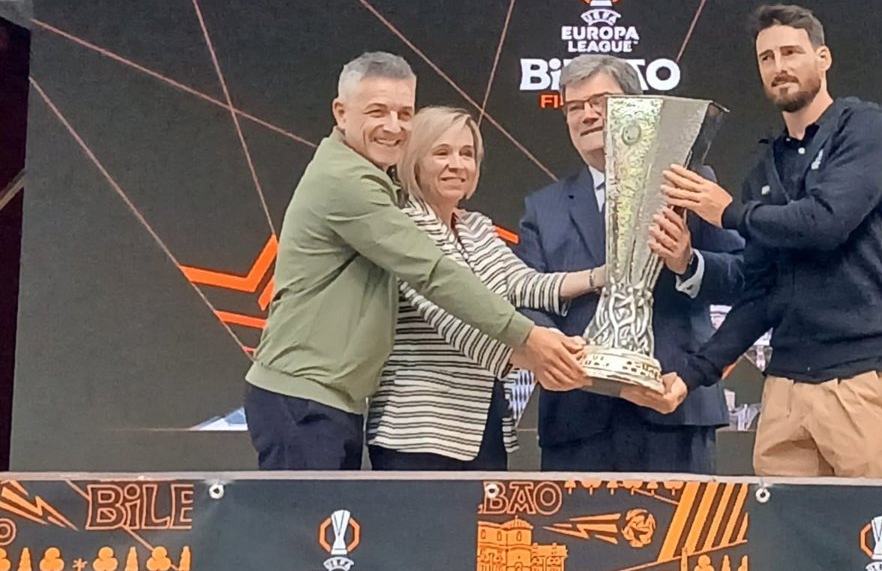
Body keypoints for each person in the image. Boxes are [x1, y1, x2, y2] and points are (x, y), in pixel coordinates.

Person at [244, 52, 585, 471]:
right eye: (377, 111)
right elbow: (433, 274)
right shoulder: (347, 182)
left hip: (329, 398)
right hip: (306, 397)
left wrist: (602, 278)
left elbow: (517, 281)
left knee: (329, 515)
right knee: (303, 517)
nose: (393, 126)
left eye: (404, 113)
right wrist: (529, 341)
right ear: (341, 112)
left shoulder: (378, 181)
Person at [664, 4, 882, 479]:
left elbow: (826, 222)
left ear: (823, 57)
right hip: (784, 385)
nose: (779, 66)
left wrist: (729, 213)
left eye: (791, 52)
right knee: (779, 523)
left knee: (866, 523)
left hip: (860, 376)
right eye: (767, 58)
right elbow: (759, 296)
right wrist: (691, 376)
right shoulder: (764, 171)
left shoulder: (866, 128)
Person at [517, 54, 745, 474]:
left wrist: (688, 262)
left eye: (600, 102)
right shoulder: (543, 209)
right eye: (574, 107)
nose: (587, 115)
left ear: (637, 108)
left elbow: (743, 276)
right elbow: (524, 298)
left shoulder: (688, 181)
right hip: (577, 418)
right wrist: (560, 353)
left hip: (673, 406)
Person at [367, 106, 605, 471]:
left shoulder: (476, 227)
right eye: (442, 153)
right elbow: (454, 318)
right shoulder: (402, 228)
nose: (457, 165)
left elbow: (523, 283)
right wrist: (546, 356)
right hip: (420, 431)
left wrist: (601, 276)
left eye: (467, 154)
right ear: (414, 162)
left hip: (484, 427)